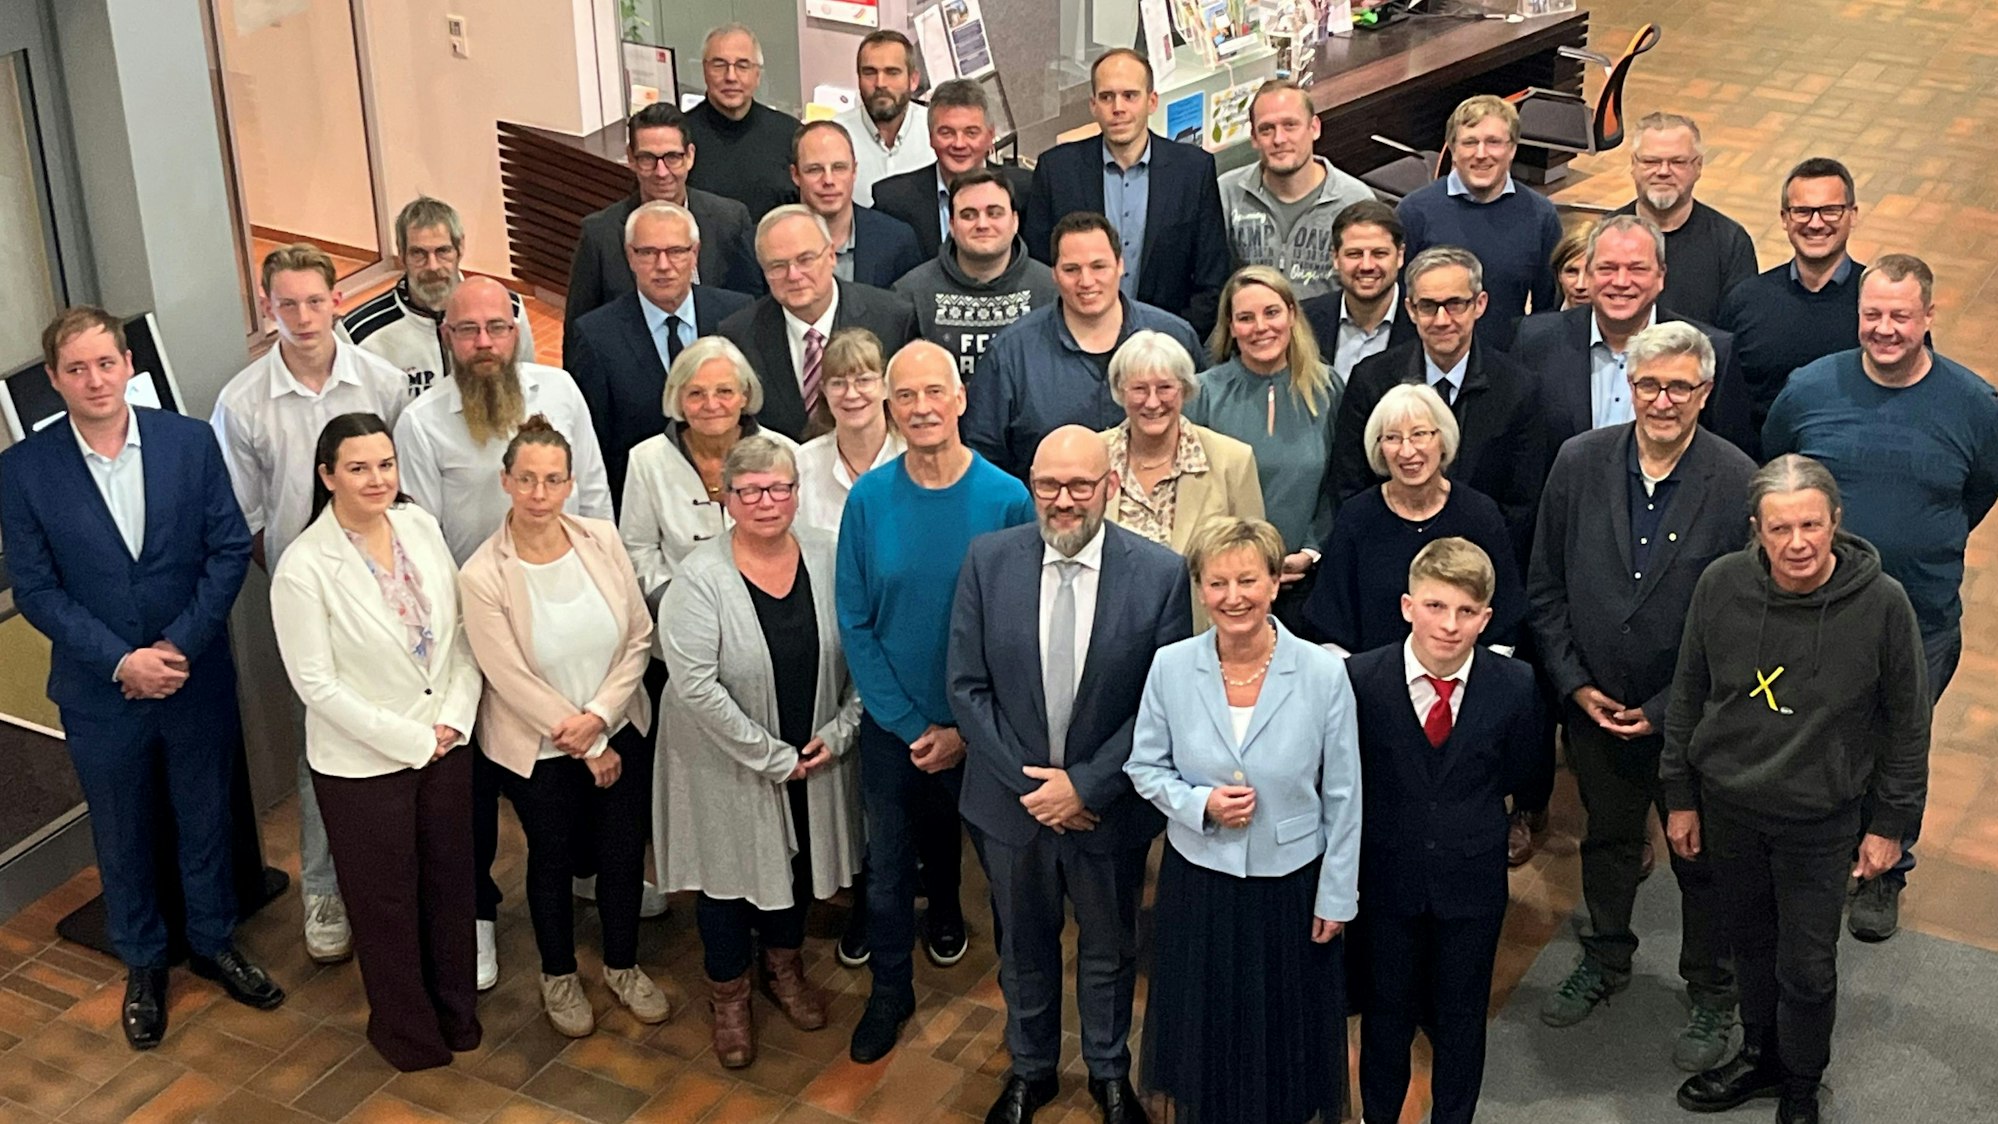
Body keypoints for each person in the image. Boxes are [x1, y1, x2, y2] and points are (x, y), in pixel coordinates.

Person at [2, 308, 282, 1051]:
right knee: (122, 832)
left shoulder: (188, 442)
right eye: (76, 369)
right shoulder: (23, 470)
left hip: (193, 674)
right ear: (55, 379)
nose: (94, 380)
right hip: (100, 692)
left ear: (129, 365)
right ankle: (145, 964)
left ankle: (215, 942)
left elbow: (228, 549)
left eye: (106, 363)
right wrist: (122, 662)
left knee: (205, 817)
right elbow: (36, 590)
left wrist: (176, 647)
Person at [1662, 455, 1930, 1124]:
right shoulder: (1721, 586)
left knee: (1807, 967)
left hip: (1821, 818)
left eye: (1811, 525)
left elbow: (1908, 724)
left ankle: (1803, 1083)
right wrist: (1680, 796)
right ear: (1757, 530)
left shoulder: (1883, 604)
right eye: (1779, 528)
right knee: (1750, 947)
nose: (1798, 543)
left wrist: (1890, 825)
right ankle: (1760, 1056)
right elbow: (1688, 692)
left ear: (1836, 521)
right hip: (1731, 806)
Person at [1527, 322, 1755, 1071]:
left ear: (1705, 393)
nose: (1663, 400)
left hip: (1694, 720)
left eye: (1680, 387)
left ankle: (1714, 990)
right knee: (1610, 840)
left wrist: (1663, 709)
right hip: (1594, 707)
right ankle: (1606, 956)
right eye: (1650, 384)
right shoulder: (1578, 461)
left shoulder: (1737, 481)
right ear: (1628, 385)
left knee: (1701, 858)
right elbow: (1545, 586)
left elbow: (1743, 624)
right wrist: (1574, 683)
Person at [949, 426, 1193, 1124]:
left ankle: (1109, 1072)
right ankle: (1031, 1070)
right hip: (1012, 808)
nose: (1063, 500)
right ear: (1031, 485)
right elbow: (966, 687)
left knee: (1110, 949)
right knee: (1022, 948)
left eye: (1079, 485)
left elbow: (1162, 702)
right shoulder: (988, 560)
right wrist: (1038, 790)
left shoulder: (1159, 574)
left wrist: (1086, 785)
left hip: (1107, 808)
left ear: (1109, 486)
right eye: (1048, 485)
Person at [1762, 254, 1998, 941]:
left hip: (1920, 615)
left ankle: (1885, 869)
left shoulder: (1976, 405)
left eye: (1900, 315)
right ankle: (1816, 852)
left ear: (1929, 317)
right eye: (1872, 314)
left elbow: (1980, 489)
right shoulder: (1810, 388)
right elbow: (1778, 468)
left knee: (1899, 742)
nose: (1885, 329)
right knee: (1814, 731)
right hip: (1816, 609)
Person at [394, 276, 612, 988]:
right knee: (477, 788)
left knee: (572, 753)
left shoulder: (562, 393)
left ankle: (587, 872)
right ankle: (479, 914)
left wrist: (603, 595)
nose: (484, 343)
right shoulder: (421, 423)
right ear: (446, 338)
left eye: (496, 327)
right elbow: (421, 538)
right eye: (467, 331)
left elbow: (595, 497)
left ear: (517, 330)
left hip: (566, 613)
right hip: (472, 627)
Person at [835, 340, 1035, 1063]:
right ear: (891, 408)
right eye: (906, 396)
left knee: (1009, 880)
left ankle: (1027, 1014)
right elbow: (855, 619)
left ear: (960, 400)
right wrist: (912, 723)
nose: (921, 408)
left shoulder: (1007, 499)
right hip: (897, 730)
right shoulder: (868, 499)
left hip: (987, 731)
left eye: (934, 392)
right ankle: (890, 992)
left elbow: (1018, 627)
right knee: (888, 874)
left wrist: (965, 731)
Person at [1124, 516, 1359, 1124]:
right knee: (1205, 1037)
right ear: (1200, 590)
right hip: (1198, 882)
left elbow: (1344, 795)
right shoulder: (1171, 666)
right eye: (1218, 582)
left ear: (1276, 582)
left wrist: (1337, 895)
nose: (1234, 597)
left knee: (1282, 1042)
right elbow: (1144, 766)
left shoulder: (1323, 674)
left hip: (1290, 886)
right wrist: (1199, 804)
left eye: (1248, 580)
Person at [212, 243, 408, 966]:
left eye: (315, 301)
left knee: (399, 726)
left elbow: (405, 488)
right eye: (286, 304)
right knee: (320, 741)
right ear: (267, 308)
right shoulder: (241, 404)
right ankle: (324, 889)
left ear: (337, 301)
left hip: (393, 588)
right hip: (306, 598)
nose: (302, 317)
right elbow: (245, 520)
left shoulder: (383, 383)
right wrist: (310, 584)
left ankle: (399, 879)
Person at [269, 412, 480, 1071]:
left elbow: (462, 632)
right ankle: (407, 1034)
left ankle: (457, 1015)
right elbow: (316, 686)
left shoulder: (419, 525)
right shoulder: (304, 566)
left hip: (446, 743)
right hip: (364, 765)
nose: (376, 479)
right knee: (386, 905)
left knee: (450, 887)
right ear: (327, 476)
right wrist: (413, 739)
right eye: (357, 468)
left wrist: (454, 719)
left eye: (385, 465)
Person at [457, 417, 670, 1039]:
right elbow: (507, 674)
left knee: (623, 851)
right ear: (505, 481)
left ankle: (623, 965)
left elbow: (638, 636)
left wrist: (600, 719)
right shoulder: (481, 574)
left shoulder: (601, 539)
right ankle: (558, 975)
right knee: (550, 858)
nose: (540, 493)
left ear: (571, 483)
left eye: (553, 480)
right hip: (539, 747)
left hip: (618, 722)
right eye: (526, 479)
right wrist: (585, 739)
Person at [657, 436, 864, 1067]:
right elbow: (695, 686)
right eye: (749, 491)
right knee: (726, 882)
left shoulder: (829, 556)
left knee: (794, 871)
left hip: (813, 753)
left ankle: (784, 969)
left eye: (779, 488)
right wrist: (772, 757)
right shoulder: (699, 577)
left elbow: (864, 648)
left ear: (797, 493)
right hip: (724, 758)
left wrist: (842, 730)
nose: (766, 502)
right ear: (726, 498)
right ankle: (729, 996)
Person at [1348, 538, 1545, 1124]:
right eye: (1435, 607)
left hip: (1471, 882)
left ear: (1486, 618)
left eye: (1466, 611)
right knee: (1385, 1015)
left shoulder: (1516, 685)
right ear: (1408, 606)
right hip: (1385, 880)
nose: (1450, 625)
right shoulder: (1360, 680)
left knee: (1462, 1018)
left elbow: (1523, 772)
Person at [1331, 246, 1547, 566]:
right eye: (1429, 306)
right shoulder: (1371, 381)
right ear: (1411, 309)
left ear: (1479, 305)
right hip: (1386, 561)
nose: (1442, 320)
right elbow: (1349, 486)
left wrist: (1466, 570)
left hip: (1481, 570)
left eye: (1455, 304)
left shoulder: (1518, 389)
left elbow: (1522, 504)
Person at [966, 212, 1204, 478]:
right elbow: (983, 458)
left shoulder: (1175, 337)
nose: (1086, 281)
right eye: (1071, 269)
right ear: (1054, 274)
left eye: (1098, 266)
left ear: (1120, 265)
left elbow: (1203, 433)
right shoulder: (1011, 354)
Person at [1512, 213, 1758, 458]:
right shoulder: (1535, 341)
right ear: (1589, 274)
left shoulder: (1712, 351)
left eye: (1637, 269)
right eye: (1607, 268)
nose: (1621, 281)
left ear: (1661, 276)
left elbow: (1730, 458)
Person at [1023, 49, 1232, 336]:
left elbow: (1212, 280)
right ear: (1093, 105)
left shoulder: (1193, 171)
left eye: (1130, 95)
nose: (1118, 108)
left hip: (1165, 344)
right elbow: (1039, 272)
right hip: (1074, 341)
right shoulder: (1056, 171)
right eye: (1107, 97)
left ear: (1152, 101)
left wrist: (1169, 341)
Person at [1305, 383, 1525, 655]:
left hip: (1468, 677)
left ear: (1443, 439)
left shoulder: (1480, 515)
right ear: (1379, 448)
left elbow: (1505, 622)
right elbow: (1329, 627)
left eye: (1419, 434)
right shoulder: (1356, 518)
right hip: (1371, 678)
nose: (1407, 451)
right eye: (1393, 438)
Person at [567, 200, 754, 507]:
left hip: (737, 496)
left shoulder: (738, 314)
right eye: (648, 252)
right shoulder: (596, 335)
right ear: (630, 256)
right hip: (642, 502)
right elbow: (595, 442)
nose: (663, 265)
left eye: (676, 251)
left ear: (695, 254)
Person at [1183, 266, 1338, 630]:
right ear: (1231, 326)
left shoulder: (1328, 389)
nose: (1260, 327)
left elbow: (1339, 483)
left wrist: (1311, 551)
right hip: (1226, 588)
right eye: (1246, 318)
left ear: (1292, 315)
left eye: (1271, 313)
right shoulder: (1203, 394)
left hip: (1307, 584)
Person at [620, 336, 799, 608]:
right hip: (678, 610)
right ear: (678, 399)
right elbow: (638, 550)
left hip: (775, 605)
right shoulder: (646, 460)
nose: (711, 404)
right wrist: (680, 605)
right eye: (696, 393)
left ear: (745, 395)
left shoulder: (788, 453)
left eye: (724, 391)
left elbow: (803, 538)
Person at [716, 205, 921, 440]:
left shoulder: (893, 319)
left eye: (805, 260)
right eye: (778, 266)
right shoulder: (739, 336)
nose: (793, 275)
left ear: (831, 256)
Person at [565, 102, 759, 343]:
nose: (661, 172)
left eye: (672, 157)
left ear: (690, 156)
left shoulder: (730, 220)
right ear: (631, 159)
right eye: (648, 158)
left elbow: (749, 311)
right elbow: (578, 332)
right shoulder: (600, 234)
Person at [1396, 95, 1564, 347]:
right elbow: (1400, 303)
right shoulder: (1414, 212)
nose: (1481, 154)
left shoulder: (1541, 216)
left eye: (1493, 142)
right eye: (1470, 143)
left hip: (1507, 360)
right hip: (1429, 360)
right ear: (1452, 150)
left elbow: (1547, 311)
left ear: (1512, 149)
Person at [1717, 157, 1866, 435]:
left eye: (1830, 211)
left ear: (1853, 215)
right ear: (1784, 218)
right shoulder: (1746, 301)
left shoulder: (1880, 303)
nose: (1816, 223)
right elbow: (1724, 402)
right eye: (1802, 211)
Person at [1100, 331, 1265, 568]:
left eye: (1165, 388)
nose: (1152, 402)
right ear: (1120, 392)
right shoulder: (1092, 456)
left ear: (1185, 390)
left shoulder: (1233, 461)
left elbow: (1252, 558)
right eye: (1139, 389)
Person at [344, 196, 535, 397]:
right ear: (401, 253)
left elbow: (527, 386)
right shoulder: (360, 335)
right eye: (418, 253)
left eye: (443, 251)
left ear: (460, 247)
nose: (432, 266)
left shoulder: (508, 308)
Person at [893, 168, 1059, 379]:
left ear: (1015, 221)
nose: (982, 224)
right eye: (968, 215)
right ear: (952, 225)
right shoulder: (910, 295)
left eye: (994, 213)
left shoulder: (1052, 290)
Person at [1218, 79, 1374, 299]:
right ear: (1253, 138)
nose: (1279, 139)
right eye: (1266, 129)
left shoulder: (1354, 201)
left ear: (1314, 128)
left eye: (1290, 125)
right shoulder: (1227, 194)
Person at [1612, 113, 1758, 325]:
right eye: (1651, 161)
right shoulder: (1604, 235)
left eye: (1677, 162)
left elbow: (1739, 327)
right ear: (1633, 165)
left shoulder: (1730, 243)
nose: (1663, 171)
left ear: (1698, 166)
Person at [871, 78, 1034, 260]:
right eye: (946, 133)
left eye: (971, 132)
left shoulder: (1027, 191)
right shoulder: (893, 201)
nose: (959, 144)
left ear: (990, 136)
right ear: (931, 137)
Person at [682, 23, 803, 222]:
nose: (731, 77)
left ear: (758, 75)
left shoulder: (791, 134)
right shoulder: (681, 135)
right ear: (704, 70)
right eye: (719, 65)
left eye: (742, 65)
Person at [795, 328, 904, 537]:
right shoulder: (802, 463)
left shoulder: (912, 458)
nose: (851, 394)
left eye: (863, 380)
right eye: (838, 383)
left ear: (886, 386)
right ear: (824, 391)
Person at [790, 120, 924, 288]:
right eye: (814, 169)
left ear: (854, 171)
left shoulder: (897, 240)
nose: (828, 180)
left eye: (839, 167)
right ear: (795, 175)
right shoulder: (768, 242)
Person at [1298, 200, 1419, 384]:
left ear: (1400, 256)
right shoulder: (1303, 320)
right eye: (1354, 254)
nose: (1367, 266)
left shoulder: (1422, 324)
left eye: (1379, 253)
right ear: (1335, 258)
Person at [833, 30, 931, 206]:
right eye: (869, 72)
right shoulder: (836, 135)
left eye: (892, 72)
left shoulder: (935, 130)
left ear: (913, 80)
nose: (880, 83)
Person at [1551, 221, 1593, 309]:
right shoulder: (1543, 317)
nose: (1580, 285)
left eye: (1590, 272)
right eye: (1571, 272)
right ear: (1559, 275)